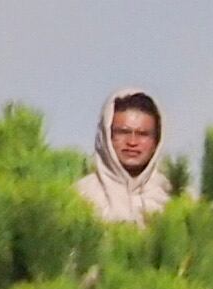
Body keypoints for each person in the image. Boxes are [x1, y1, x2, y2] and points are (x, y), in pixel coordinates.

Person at [75, 88, 176, 223]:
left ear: (156, 141)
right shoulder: (82, 196)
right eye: (123, 132)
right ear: (107, 136)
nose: (132, 142)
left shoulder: (173, 196)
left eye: (143, 134)